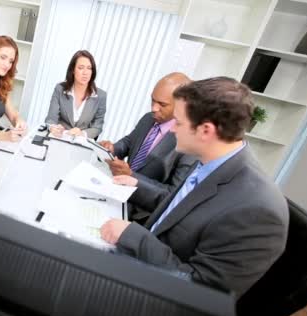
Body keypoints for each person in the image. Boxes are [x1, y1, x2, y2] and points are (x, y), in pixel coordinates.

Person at [100, 77, 289, 298]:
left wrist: (134, 236)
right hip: (140, 266)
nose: (171, 131)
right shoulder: (209, 162)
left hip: (157, 299)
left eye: (178, 123)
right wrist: (135, 186)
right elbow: (179, 209)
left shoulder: (257, 210)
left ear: (205, 131)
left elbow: (197, 290)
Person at [99, 72, 195, 222]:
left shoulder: (190, 142)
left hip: (140, 214)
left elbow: (172, 195)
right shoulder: (148, 118)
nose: (154, 108)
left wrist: (131, 176)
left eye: (162, 104)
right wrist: (113, 148)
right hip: (116, 193)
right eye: (152, 100)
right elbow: (129, 142)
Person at [45, 50, 106, 139]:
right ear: (73, 70)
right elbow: (51, 118)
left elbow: (97, 127)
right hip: (60, 137)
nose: (85, 72)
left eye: (89, 68)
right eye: (81, 68)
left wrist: (82, 133)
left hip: (82, 142)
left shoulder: (101, 96)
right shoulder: (60, 89)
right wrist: (53, 127)